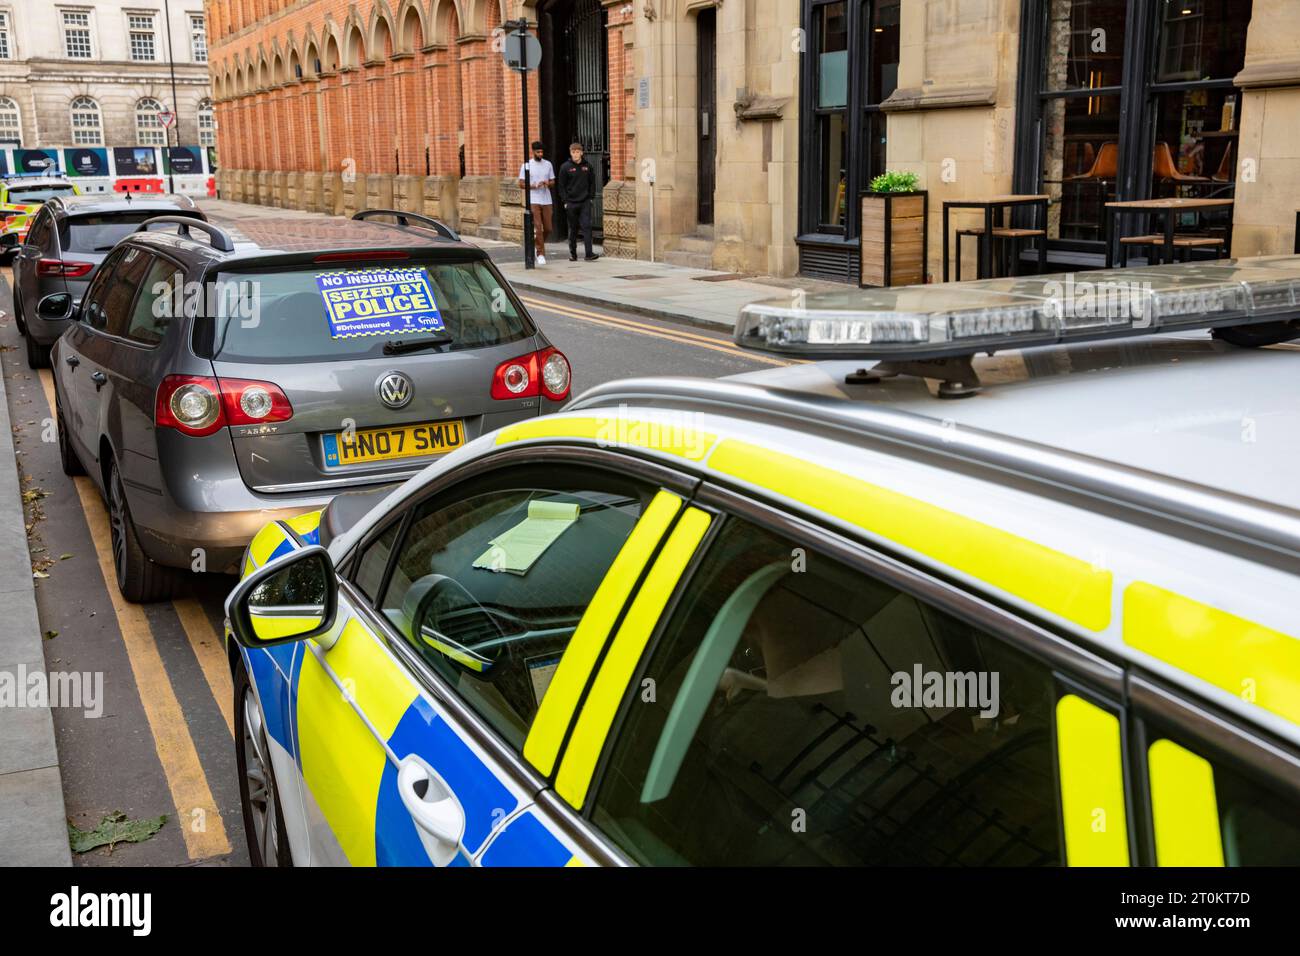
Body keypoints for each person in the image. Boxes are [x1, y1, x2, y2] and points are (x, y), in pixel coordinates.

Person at [558, 141, 600, 261]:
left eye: (577, 152)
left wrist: (591, 197)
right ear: (570, 153)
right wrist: (565, 201)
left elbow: (592, 182)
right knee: (573, 229)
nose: (575, 154)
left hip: (585, 201)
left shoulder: (588, 166)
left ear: (581, 153)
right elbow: (561, 186)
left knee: (587, 227)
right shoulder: (565, 167)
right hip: (571, 202)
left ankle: (589, 253)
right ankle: (573, 254)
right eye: (573, 152)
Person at [518, 140, 556, 266]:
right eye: (538, 152)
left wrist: (547, 183)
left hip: (546, 199)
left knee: (549, 228)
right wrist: (533, 186)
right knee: (538, 228)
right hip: (533, 199)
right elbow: (521, 184)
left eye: (542, 152)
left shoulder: (548, 164)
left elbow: (553, 181)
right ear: (533, 152)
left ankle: (536, 245)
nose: (540, 154)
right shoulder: (527, 165)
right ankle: (540, 253)